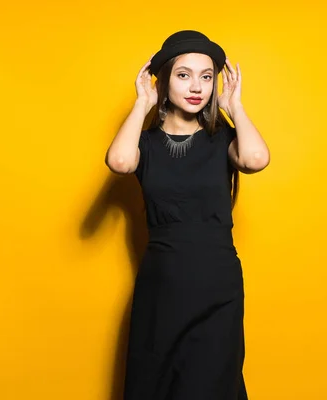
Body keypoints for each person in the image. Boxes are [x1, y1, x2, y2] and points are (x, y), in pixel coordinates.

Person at [105, 30, 269, 400]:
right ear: (164, 81)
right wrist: (141, 104)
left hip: (217, 287)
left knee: (212, 384)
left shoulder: (223, 139)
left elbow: (256, 160)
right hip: (162, 287)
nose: (197, 86)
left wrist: (235, 107)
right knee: (156, 383)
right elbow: (118, 162)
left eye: (206, 76)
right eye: (183, 75)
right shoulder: (143, 144)